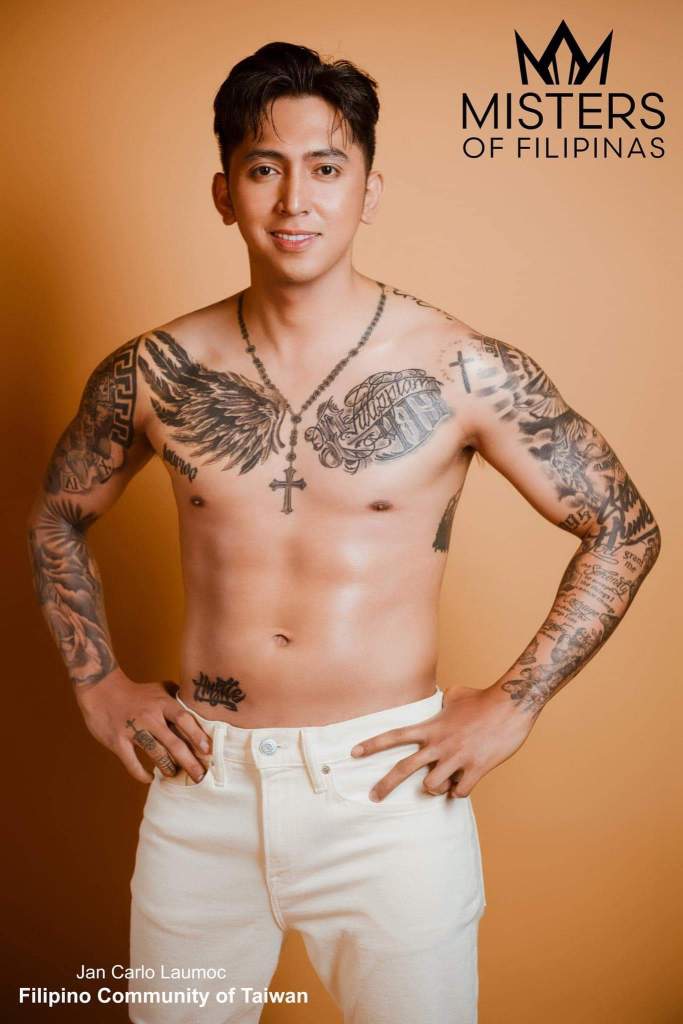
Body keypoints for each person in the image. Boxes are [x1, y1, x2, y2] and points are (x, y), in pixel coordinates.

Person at [26, 40, 661, 1024]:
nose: (295, 201)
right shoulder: (155, 369)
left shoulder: (460, 368)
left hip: (386, 796)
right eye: (263, 169)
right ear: (224, 192)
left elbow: (622, 524)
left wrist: (514, 702)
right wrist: (96, 684)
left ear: (367, 190)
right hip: (203, 787)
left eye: (325, 168)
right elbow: (58, 516)